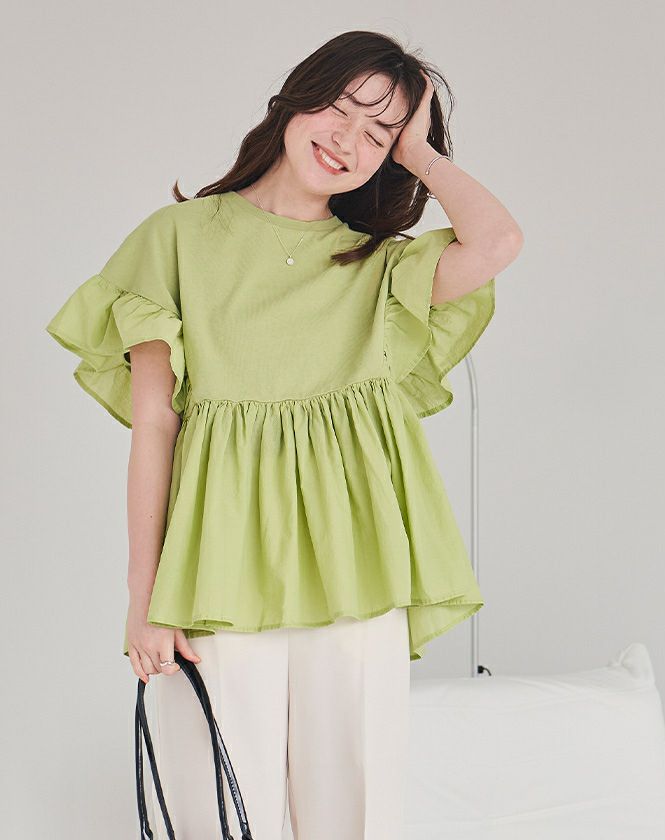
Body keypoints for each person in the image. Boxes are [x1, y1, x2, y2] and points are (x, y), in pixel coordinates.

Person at [45, 29, 522, 840]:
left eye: (380, 132)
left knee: (354, 813)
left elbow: (499, 242)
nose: (350, 140)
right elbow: (155, 423)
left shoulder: (378, 267)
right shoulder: (177, 239)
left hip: (358, 567)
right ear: (296, 98)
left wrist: (421, 153)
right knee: (217, 813)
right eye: (341, 108)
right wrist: (143, 597)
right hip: (215, 565)